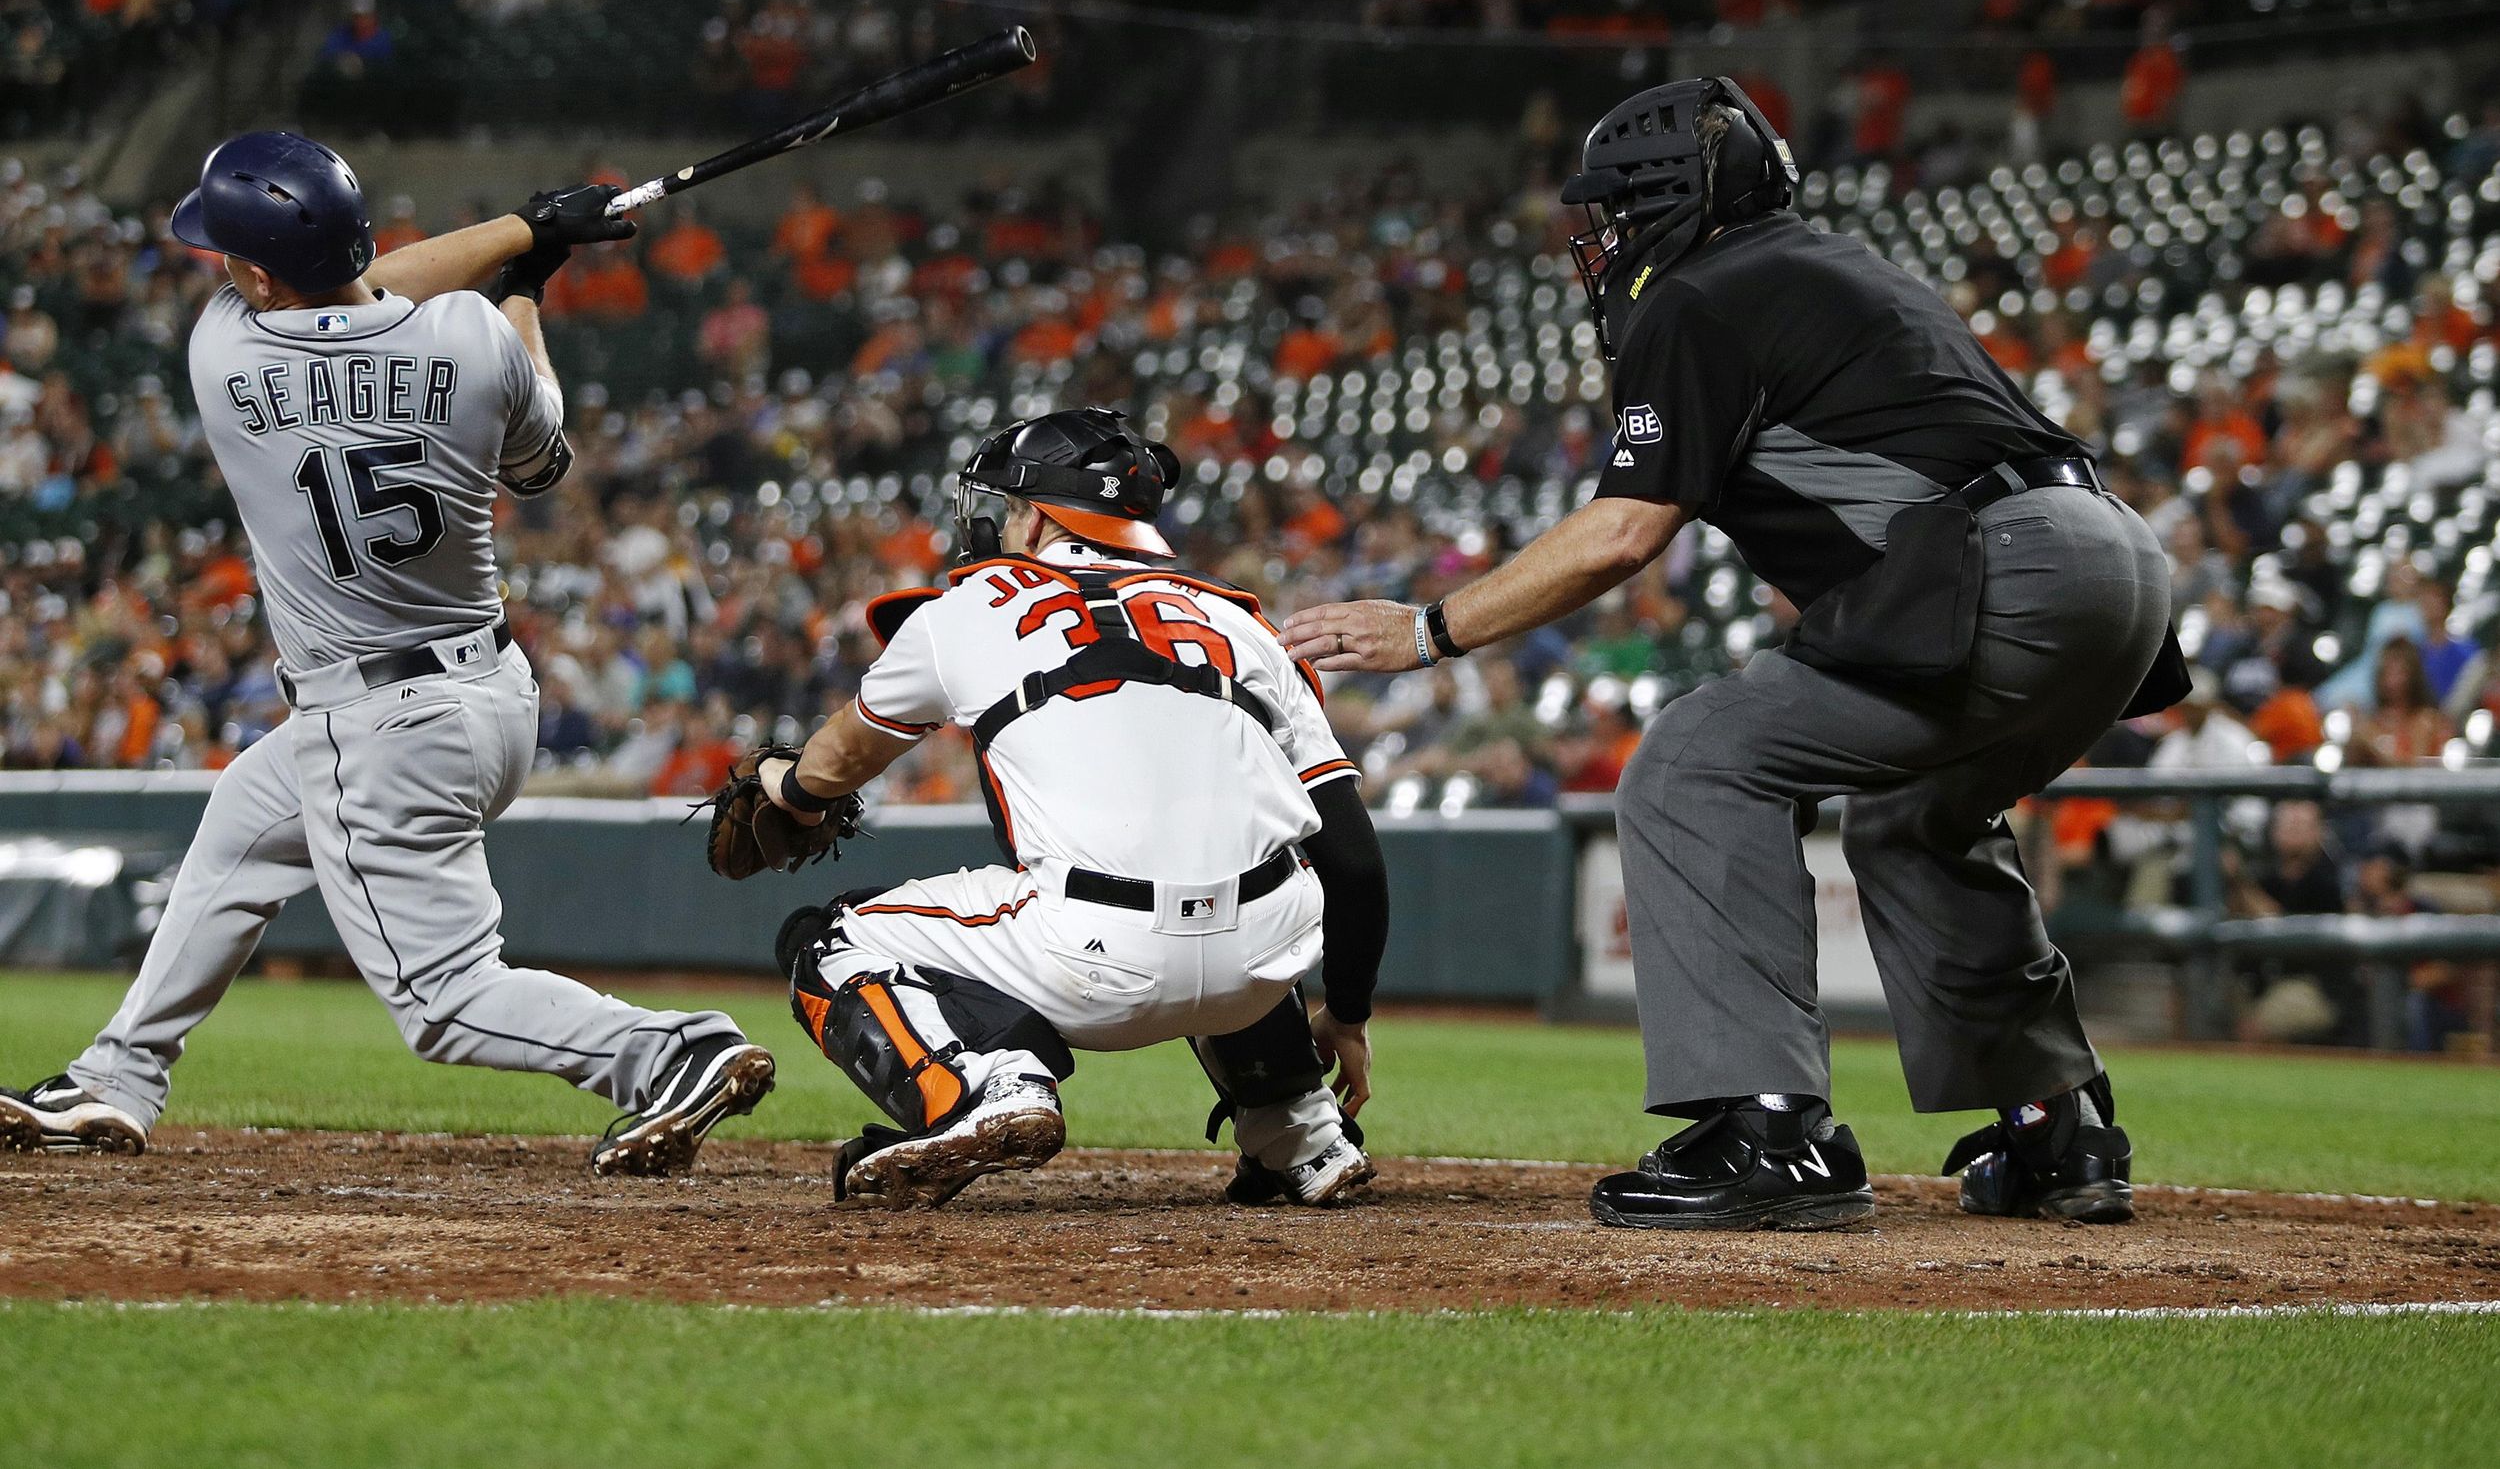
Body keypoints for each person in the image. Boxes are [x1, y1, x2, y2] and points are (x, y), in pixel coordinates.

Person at [1283, 76, 2178, 1231]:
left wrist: (1427, 630)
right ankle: (2057, 1125)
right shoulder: (1822, 267)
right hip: (2111, 565)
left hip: (2006, 570)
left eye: (1606, 214)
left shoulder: (1696, 292)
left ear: (1662, 198)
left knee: (1694, 761)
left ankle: (1770, 1133)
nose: (1594, 245)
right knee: (1912, 816)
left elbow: (1622, 534)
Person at [0, 134, 774, 1175]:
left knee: (443, 1001)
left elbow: (353, 290)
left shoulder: (225, 354)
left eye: (230, 251)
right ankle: (116, 1076)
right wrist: (526, 289)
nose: (220, 266)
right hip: (490, 695)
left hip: (378, 727)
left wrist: (519, 232)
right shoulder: (471, 335)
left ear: (258, 272)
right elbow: (543, 462)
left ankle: (666, 1053)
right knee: (239, 826)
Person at [754, 407, 1388, 1209]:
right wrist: (1352, 1012)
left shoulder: (972, 602)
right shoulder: (1240, 619)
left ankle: (992, 1082)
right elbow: (1356, 861)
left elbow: (837, 759)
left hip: (1091, 957)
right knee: (1238, 867)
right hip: (1265, 962)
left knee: (833, 939)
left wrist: (790, 788)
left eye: (1007, 505)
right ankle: (1302, 1133)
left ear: (1042, 514)